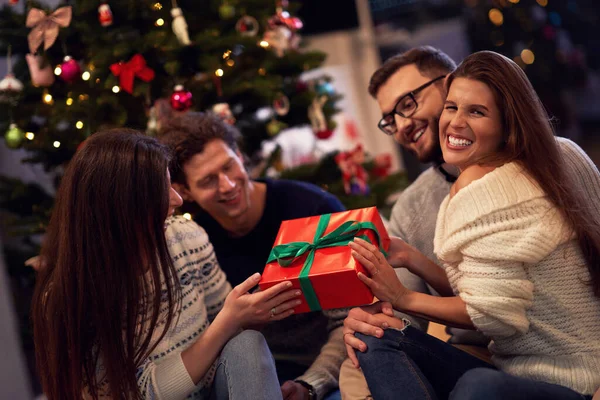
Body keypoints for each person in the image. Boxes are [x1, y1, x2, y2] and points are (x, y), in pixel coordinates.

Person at [339, 46, 600, 398]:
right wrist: (410, 264)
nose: (402, 125)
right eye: (453, 108)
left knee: (477, 387)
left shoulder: (558, 158)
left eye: (408, 103)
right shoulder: (417, 203)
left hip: (567, 375)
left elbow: (490, 313)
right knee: (375, 338)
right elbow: (482, 294)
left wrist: (401, 296)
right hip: (507, 362)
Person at [31, 130, 301, 400]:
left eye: (171, 185)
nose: (178, 200)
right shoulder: (71, 298)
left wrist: (249, 314)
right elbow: (138, 392)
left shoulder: (185, 236)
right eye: (161, 191)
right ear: (124, 205)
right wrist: (225, 323)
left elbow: (233, 337)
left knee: (246, 344)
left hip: (214, 388)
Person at [160, 113, 348, 400]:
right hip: (248, 373)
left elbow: (352, 319)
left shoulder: (312, 208)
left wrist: (310, 384)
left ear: (239, 155)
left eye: (228, 166)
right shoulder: (194, 242)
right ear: (185, 191)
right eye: (209, 180)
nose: (227, 185)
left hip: (331, 369)